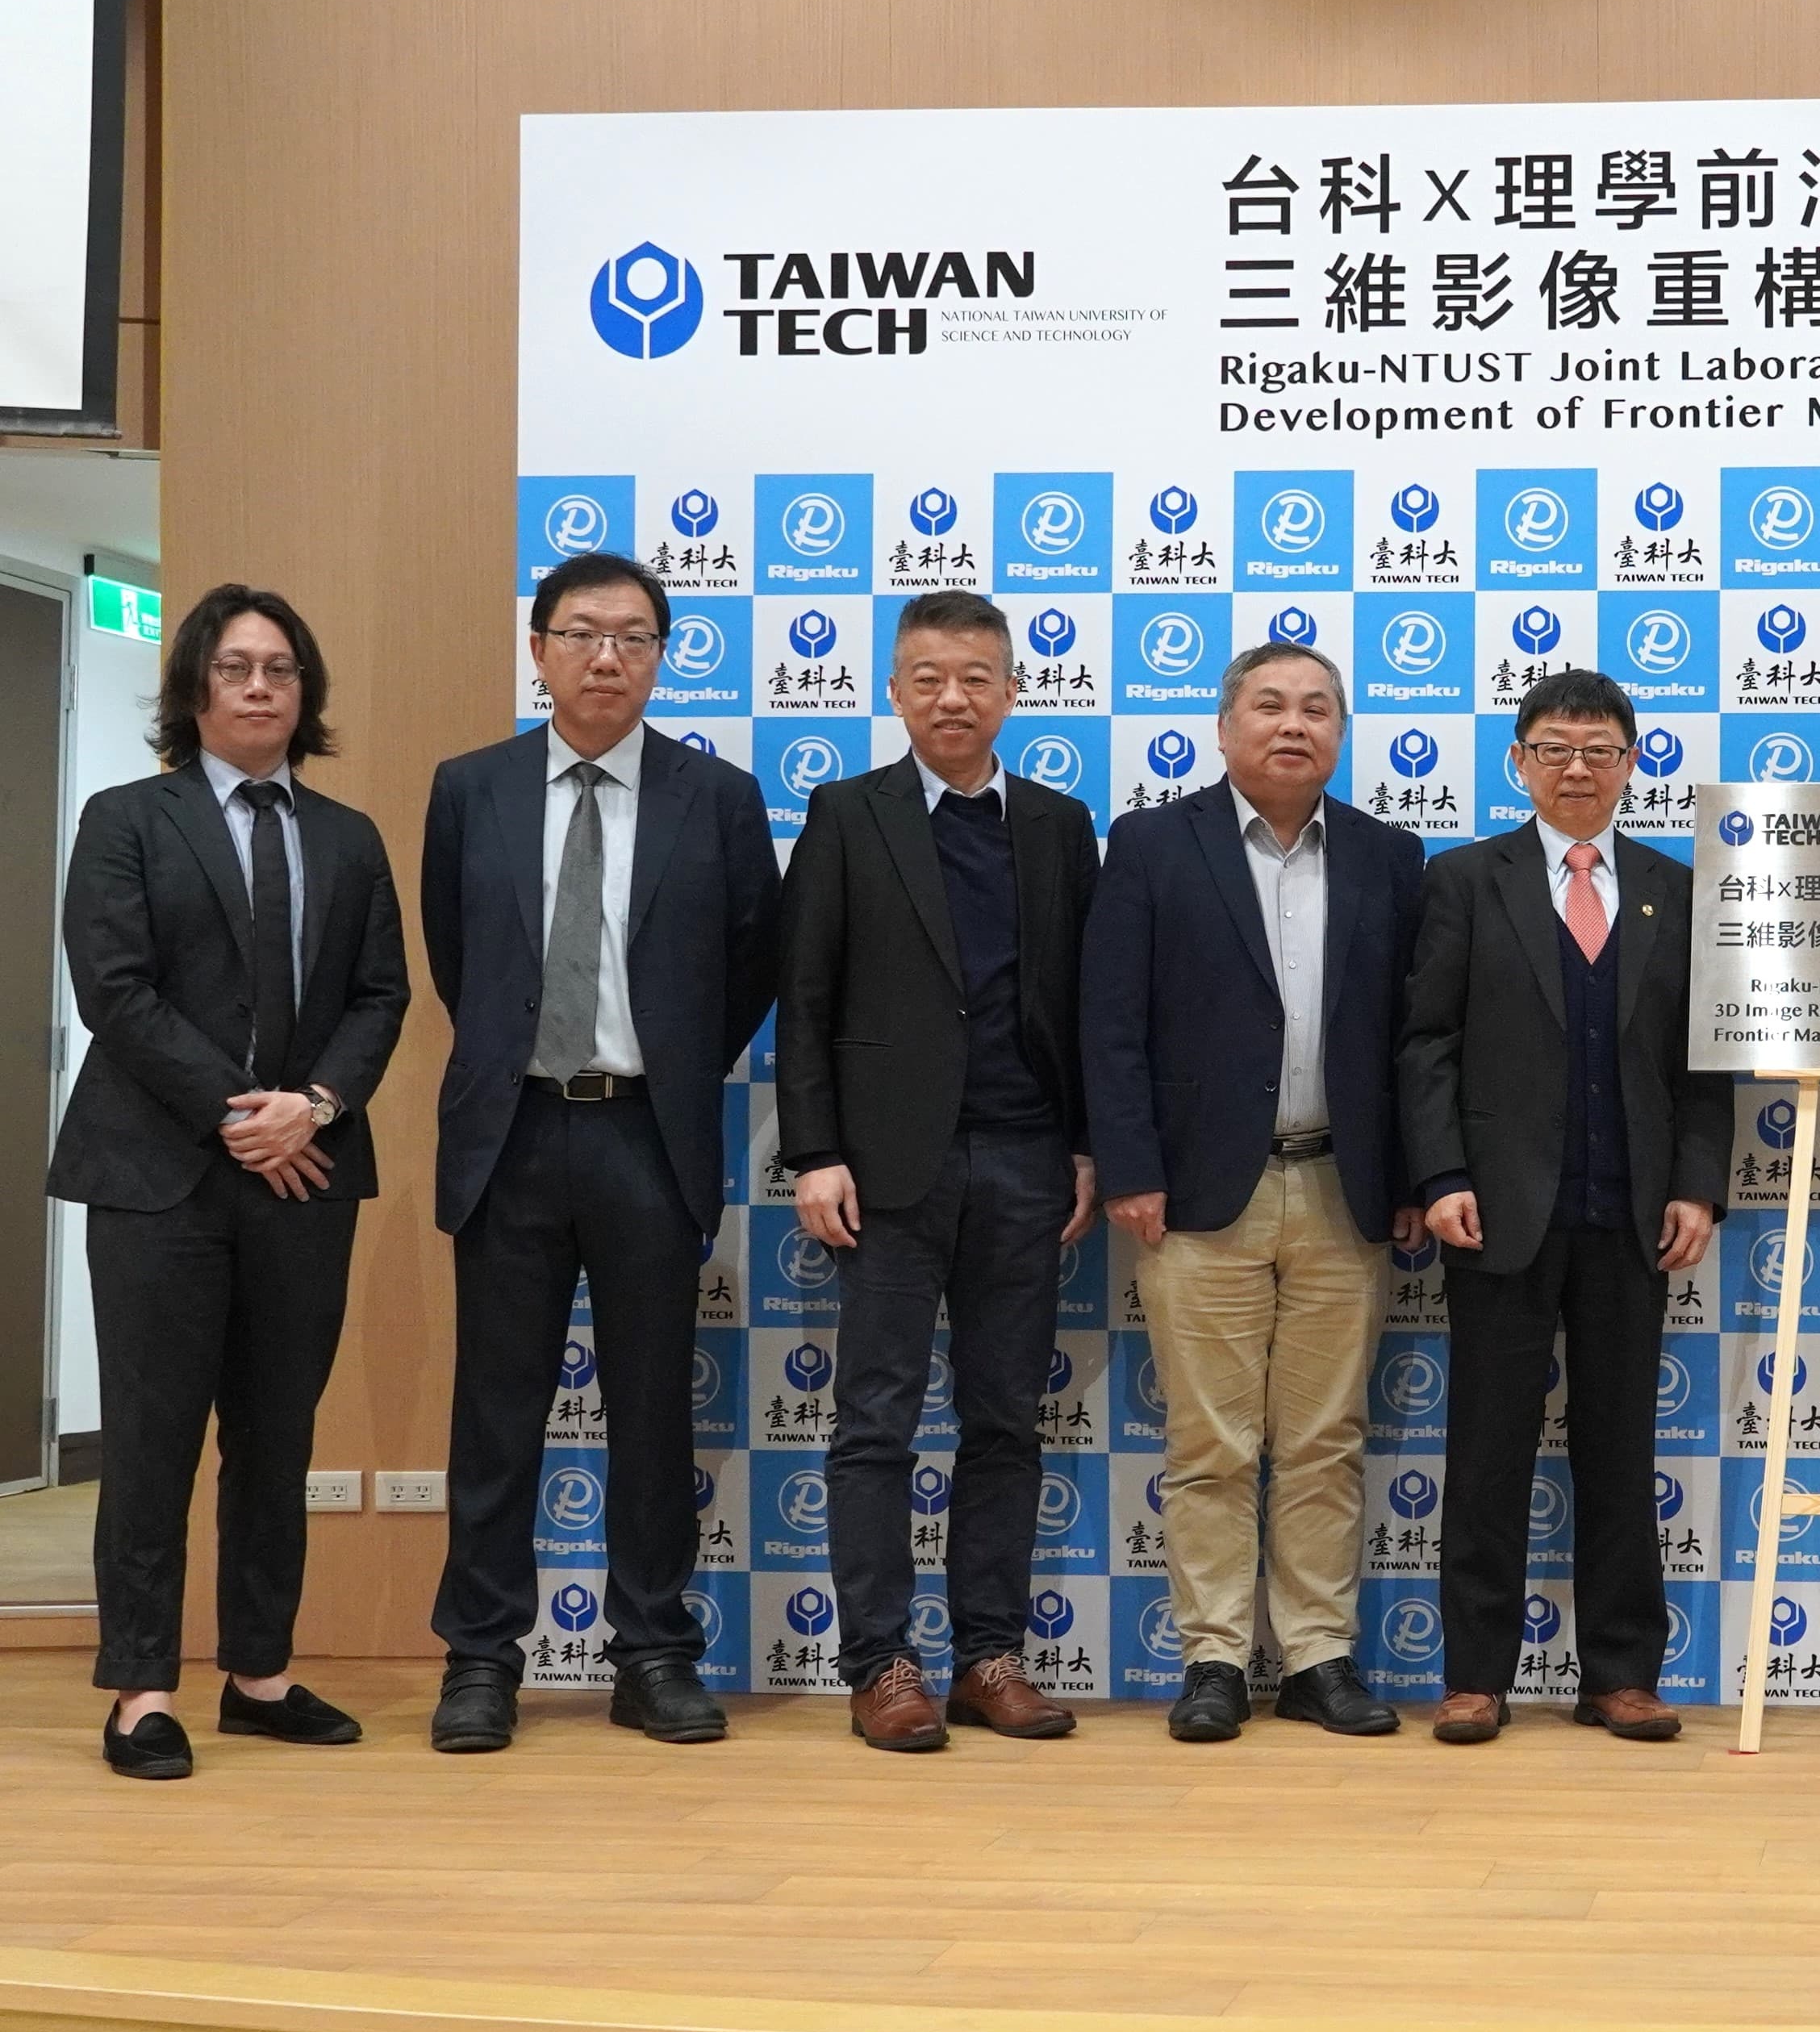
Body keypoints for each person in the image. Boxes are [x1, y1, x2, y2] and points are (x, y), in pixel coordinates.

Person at [421, 549, 781, 1755]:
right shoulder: (469, 788)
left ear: (662, 656)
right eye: (581, 634)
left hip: (645, 1132)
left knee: (650, 1410)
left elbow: (745, 970)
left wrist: (664, 1070)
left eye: (633, 637)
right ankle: (481, 1658)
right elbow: (457, 960)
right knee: (496, 1411)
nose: (606, 658)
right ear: (538, 649)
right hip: (511, 1133)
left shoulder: (715, 798)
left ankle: (652, 1651)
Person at [56, 587, 408, 1779]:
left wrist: (311, 1109)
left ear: (305, 696)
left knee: (276, 1437)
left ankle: (260, 1673)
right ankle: (142, 1691)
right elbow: (116, 991)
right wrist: (241, 1114)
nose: (259, 686)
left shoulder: (349, 837)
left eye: (281, 670)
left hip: (305, 1175)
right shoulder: (125, 819)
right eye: (235, 667)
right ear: (195, 690)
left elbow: (380, 999)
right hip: (158, 1176)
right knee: (153, 1439)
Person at [1087, 640, 1423, 1746]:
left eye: (1318, 708)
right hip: (1196, 1195)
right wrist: (1131, 1167)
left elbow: (1416, 1041)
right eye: (1270, 706)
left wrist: (1416, 1178)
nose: (1295, 725)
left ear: (1339, 733)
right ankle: (1216, 1658)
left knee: (1326, 1440)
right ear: (1224, 728)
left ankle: (1320, 1657)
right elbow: (1112, 1024)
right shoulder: (1148, 845)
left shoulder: (1389, 856)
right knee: (1212, 1443)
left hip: (1343, 1186)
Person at [780, 590, 1100, 1752]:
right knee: (874, 1424)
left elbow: (1085, 1004)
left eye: (975, 677)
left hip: (1025, 1160)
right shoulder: (847, 813)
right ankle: (881, 1664)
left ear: (1013, 691)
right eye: (927, 677)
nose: (951, 697)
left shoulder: (1061, 828)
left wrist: (1085, 1144)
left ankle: (989, 1657)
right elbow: (803, 997)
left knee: (1005, 1422)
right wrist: (814, 1151)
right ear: (895, 689)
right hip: (888, 1171)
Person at [1399, 670, 1723, 1746]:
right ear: (1519, 763)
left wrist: (1695, 1182)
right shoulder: (1463, 881)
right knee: (1487, 1447)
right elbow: (1425, 1045)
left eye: (1599, 749)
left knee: (1621, 1451)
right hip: (1496, 1213)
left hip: (1631, 1214)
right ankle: (1475, 1676)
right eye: (1553, 747)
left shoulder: (1674, 890)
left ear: (1633, 765)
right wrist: (1440, 1176)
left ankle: (1621, 1674)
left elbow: (1703, 1064)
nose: (1576, 767)